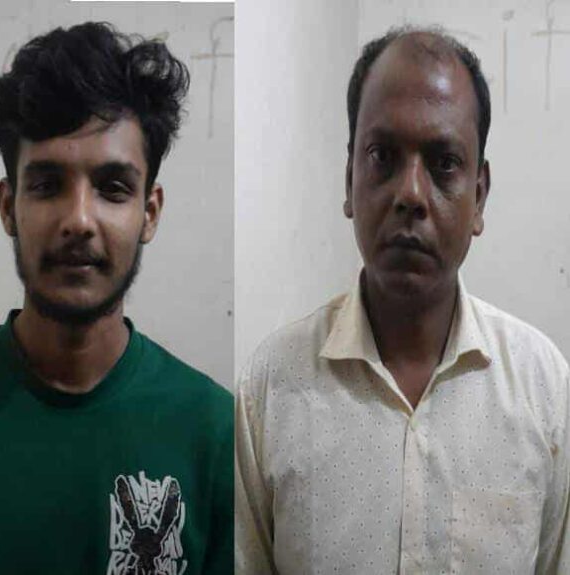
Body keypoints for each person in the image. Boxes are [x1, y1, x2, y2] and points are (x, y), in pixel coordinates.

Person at [0, 22, 233, 575]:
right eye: (47, 185)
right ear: (8, 206)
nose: (79, 220)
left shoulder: (215, 433)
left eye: (113, 188)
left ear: (150, 212)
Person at [235, 27, 570, 574]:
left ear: (479, 195)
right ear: (349, 179)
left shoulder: (545, 391)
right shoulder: (269, 389)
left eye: (443, 163)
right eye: (383, 156)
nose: (411, 193)